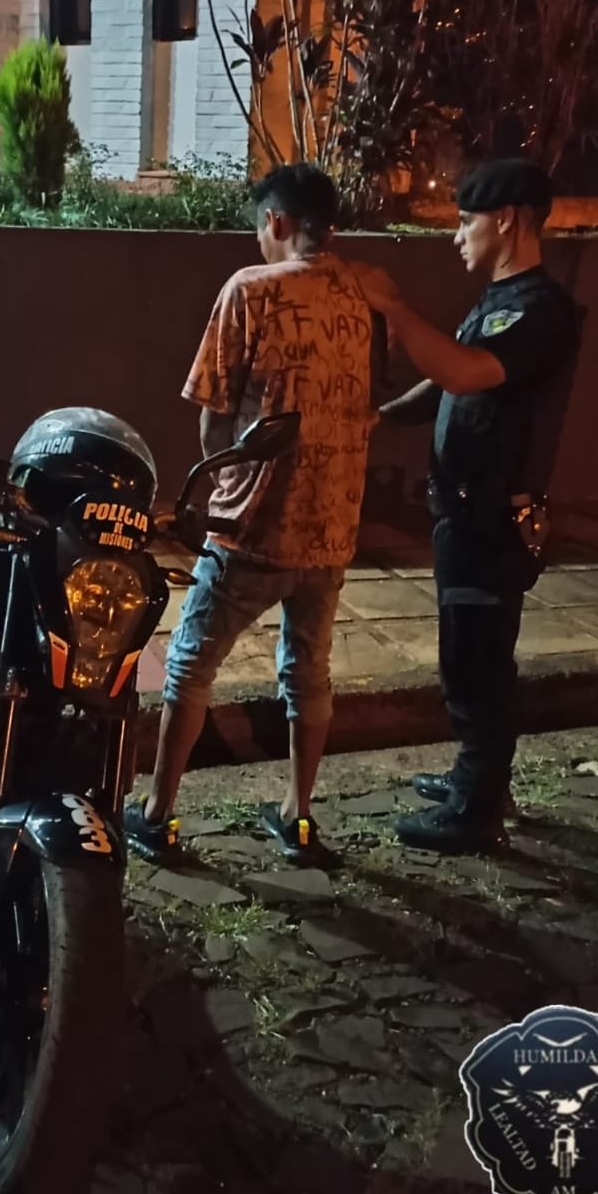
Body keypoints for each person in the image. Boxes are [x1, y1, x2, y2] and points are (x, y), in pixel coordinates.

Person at [123, 162, 382, 865]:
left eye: (259, 229)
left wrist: (220, 483)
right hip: (333, 527)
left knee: (190, 665)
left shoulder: (250, 289)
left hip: (253, 526)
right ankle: (299, 815)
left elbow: (214, 416)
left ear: (276, 221)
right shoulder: (359, 293)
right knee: (308, 672)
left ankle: (157, 814)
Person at [356, 158, 582, 854]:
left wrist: (395, 309)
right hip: (464, 511)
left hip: (492, 519)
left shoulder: (541, 310)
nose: (457, 236)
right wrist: (381, 416)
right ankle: (477, 777)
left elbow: (463, 370)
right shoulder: (499, 300)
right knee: (468, 652)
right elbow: (447, 381)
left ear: (505, 219)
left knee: (476, 662)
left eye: (464, 221)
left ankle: (475, 811)